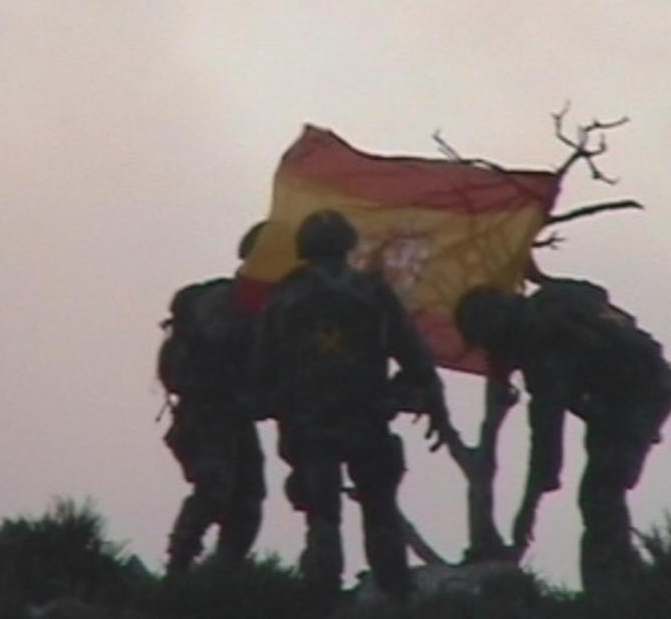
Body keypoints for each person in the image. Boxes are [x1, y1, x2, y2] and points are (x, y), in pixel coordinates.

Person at [255, 210, 446, 604]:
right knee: (380, 513)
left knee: (322, 519)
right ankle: (396, 600)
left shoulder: (286, 295)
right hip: (367, 419)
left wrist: (279, 405)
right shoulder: (372, 292)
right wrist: (409, 397)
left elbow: (260, 367)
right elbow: (415, 357)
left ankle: (322, 601)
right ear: (347, 245)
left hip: (309, 424)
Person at [455, 277, 671, 596]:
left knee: (600, 494)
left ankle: (611, 590)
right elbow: (598, 291)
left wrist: (528, 508)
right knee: (604, 488)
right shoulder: (555, 301)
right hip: (625, 399)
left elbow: (546, 438)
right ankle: (626, 579)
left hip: (635, 400)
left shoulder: (543, 355)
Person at [157, 223, 267, 576]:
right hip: (206, 412)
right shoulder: (223, 298)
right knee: (215, 488)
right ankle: (179, 567)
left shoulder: (270, 302)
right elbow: (223, 335)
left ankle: (224, 573)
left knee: (248, 497)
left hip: (235, 414)